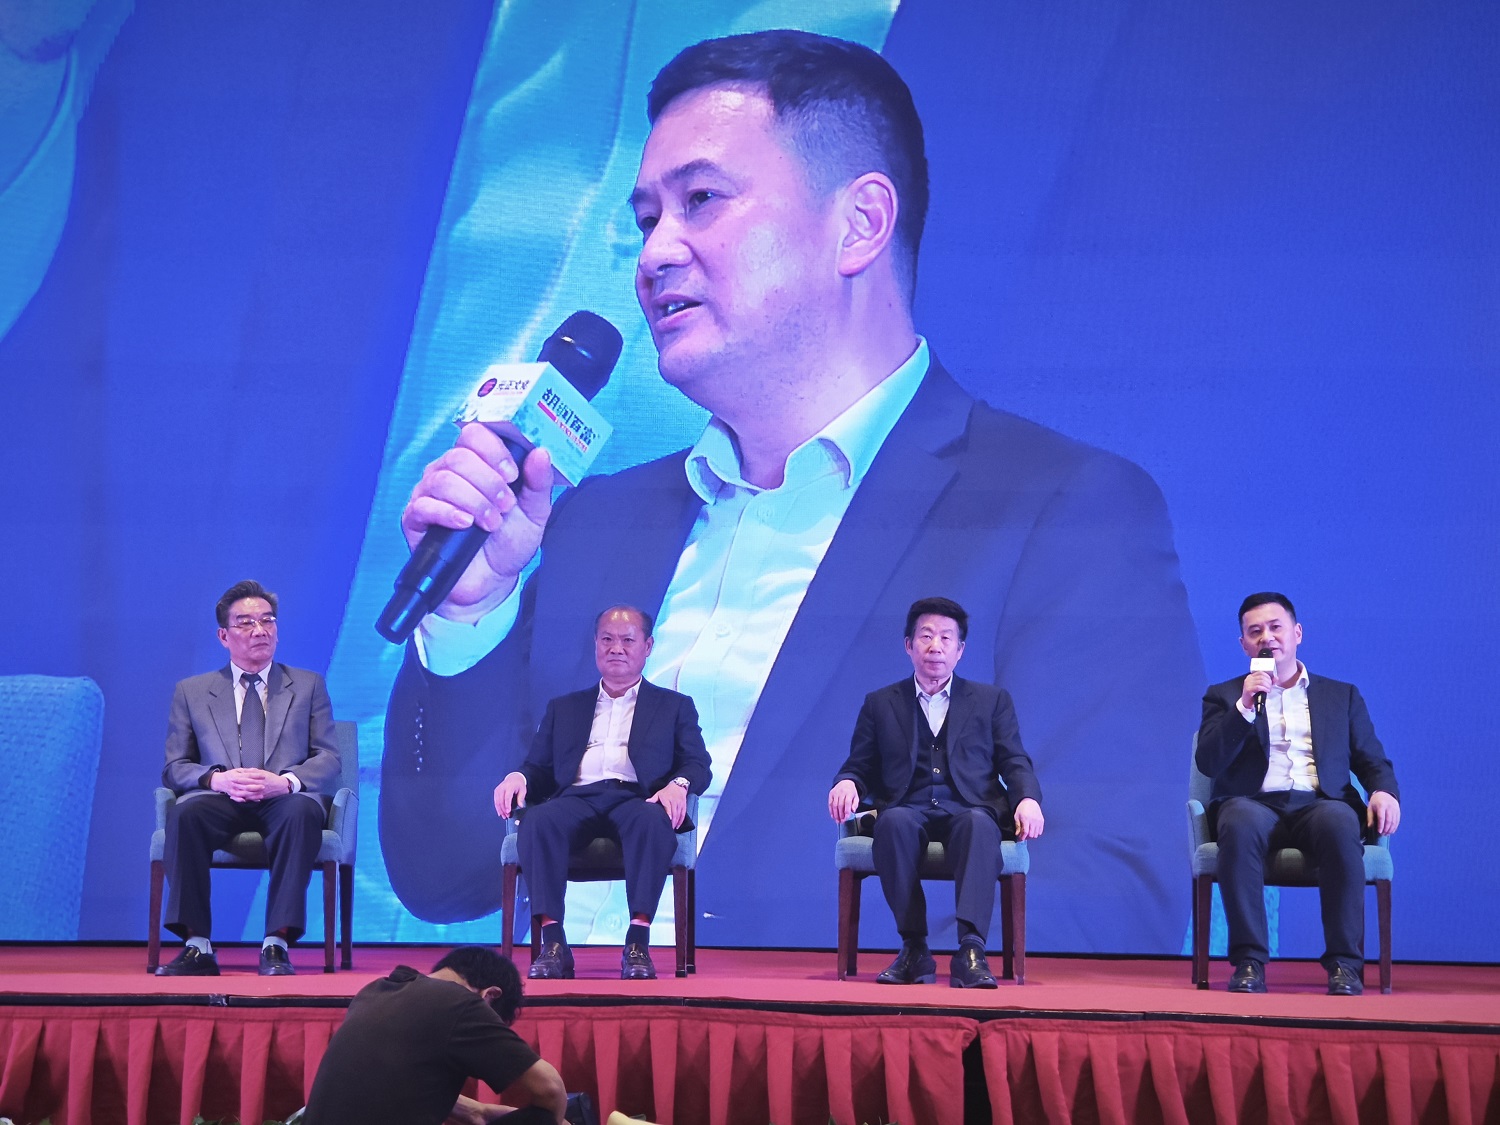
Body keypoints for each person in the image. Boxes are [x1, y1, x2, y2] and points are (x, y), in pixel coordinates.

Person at [382, 29, 1202, 952]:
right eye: (647, 218)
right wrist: (471, 612)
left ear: (860, 224)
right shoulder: (596, 523)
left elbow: (1108, 891)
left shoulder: (1062, 512)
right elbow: (446, 873)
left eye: (701, 200)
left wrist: (774, 977)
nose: (655, 253)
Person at [829, 598, 1043, 988]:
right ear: (908, 645)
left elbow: (1014, 760)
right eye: (926, 636)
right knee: (892, 823)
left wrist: (1027, 798)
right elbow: (860, 764)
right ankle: (914, 949)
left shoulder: (991, 701)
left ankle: (971, 950)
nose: (935, 646)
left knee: (979, 825)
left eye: (946, 638)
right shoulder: (880, 704)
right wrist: (847, 782)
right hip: (907, 806)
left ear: (960, 650)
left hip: (970, 807)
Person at [1196, 592, 1400, 996]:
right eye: (1255, 631)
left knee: (1341, 821)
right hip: (1253, 803)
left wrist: (1383, 791)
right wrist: (1244, 708)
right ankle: (1249, 962)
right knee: (1237, 821)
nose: (1266, 638)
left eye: (1276, 627)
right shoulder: (1223, 695)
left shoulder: (1341, 696)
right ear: (1243, 644)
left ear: (1297, 633)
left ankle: (1345, 965)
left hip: (1319, 803)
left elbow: (1371, 758)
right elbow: (1208, 761)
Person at [493, 605, 710, 980]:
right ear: (595, 644)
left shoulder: (673, 706)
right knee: (538, 821)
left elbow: (697, 763)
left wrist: (678, 785)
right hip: (577, 798)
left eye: (627, 640)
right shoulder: (565, 708)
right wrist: (519, 777)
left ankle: (637, 944)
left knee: (652, 821)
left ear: (647, 646)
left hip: (638, 798)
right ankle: (554, 945)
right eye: (607, 639)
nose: (616, 648)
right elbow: (539, 768)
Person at [158, 579, 341, 976]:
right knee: (185, 815)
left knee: (301, 813)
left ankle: (276, 943)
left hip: (282, 798)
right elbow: (175, 766)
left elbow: (329, 757)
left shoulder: (308, 685)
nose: (260, 630)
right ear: (223, 636)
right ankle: (197, 945)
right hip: (221, 798)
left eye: (267, 620)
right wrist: (217, 780)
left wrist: (286, 782)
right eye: (245, 623)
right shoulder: (192, 692)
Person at [303, 945, 567, 1125]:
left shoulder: (374, 992)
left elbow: (387, 1088)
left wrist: (480, 1112)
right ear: (490, 995)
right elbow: (551, 1089)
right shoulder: (462, 1003)